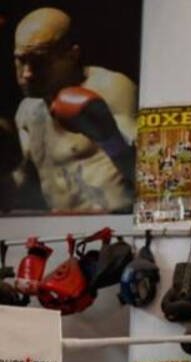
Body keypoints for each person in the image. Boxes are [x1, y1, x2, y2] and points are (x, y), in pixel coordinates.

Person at [1, 7, 136, 213]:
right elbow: (22, 191)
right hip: (59, 233)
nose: (27, 73)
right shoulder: (27, 109)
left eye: (39, 61)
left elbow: (146, 175)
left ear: (72, 55)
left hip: (114, 228)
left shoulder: (110, 87)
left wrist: (108, 136)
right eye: (21, 60)